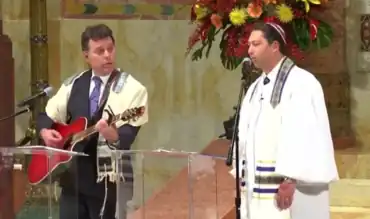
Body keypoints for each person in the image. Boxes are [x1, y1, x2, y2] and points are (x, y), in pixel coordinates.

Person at [37, 24, 148, 219]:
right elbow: (45, 116)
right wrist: (46, 132)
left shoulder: (133, 89)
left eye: (110, 49)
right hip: (72, 180)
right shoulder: (74, 83)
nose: (108, 55)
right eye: (100, 51)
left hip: (107, 183)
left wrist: (110, 133)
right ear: (86, 56)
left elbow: (127, 137)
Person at [230, 22, 339, 219]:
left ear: (274, 46)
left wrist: (290, 179)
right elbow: (245, 135)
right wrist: (241, 174)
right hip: (257, 191)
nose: (250, 50)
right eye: (249, 45)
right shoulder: (254, 88)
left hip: (288, 192)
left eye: (256, 44)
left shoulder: (301, 83)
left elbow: (305, 134)